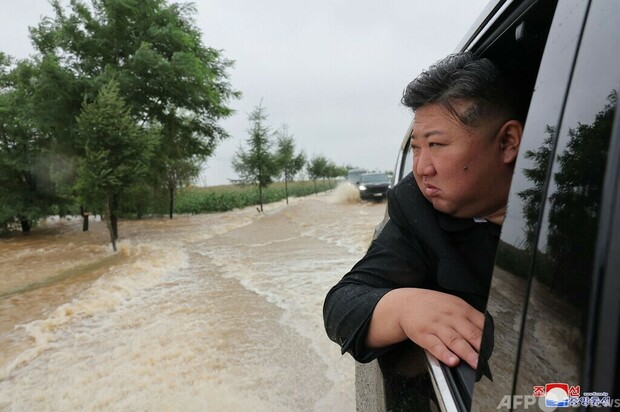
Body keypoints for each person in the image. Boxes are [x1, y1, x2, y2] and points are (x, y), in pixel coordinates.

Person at [323, 52, 524, 373]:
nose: (421, 168)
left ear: (507, 143)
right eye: (416, 147)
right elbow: (342, 305)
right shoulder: (416, 209)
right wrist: (402, 308)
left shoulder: (579, 208)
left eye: (437, 145)